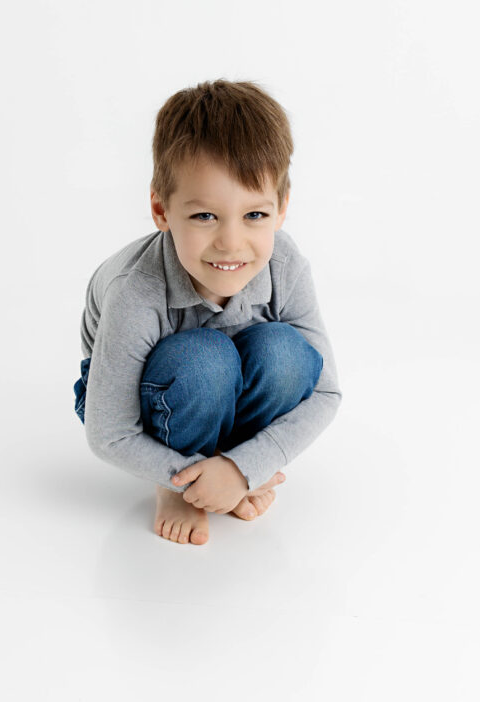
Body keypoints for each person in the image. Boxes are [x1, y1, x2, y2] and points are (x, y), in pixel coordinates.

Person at [74, 79, 342, 545]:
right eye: (204, 216)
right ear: (161, 209)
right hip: (149, 394)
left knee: (286, 352)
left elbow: (325, 393)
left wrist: (243, 467)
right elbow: (109, 434)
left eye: (254, 215)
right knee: (206, 359)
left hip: (231, 382)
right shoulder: (135, 292)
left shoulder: (286, 264)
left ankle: (225, 466)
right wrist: (187, 478)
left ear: (281, 209)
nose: (231, 243)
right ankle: (184, 488)